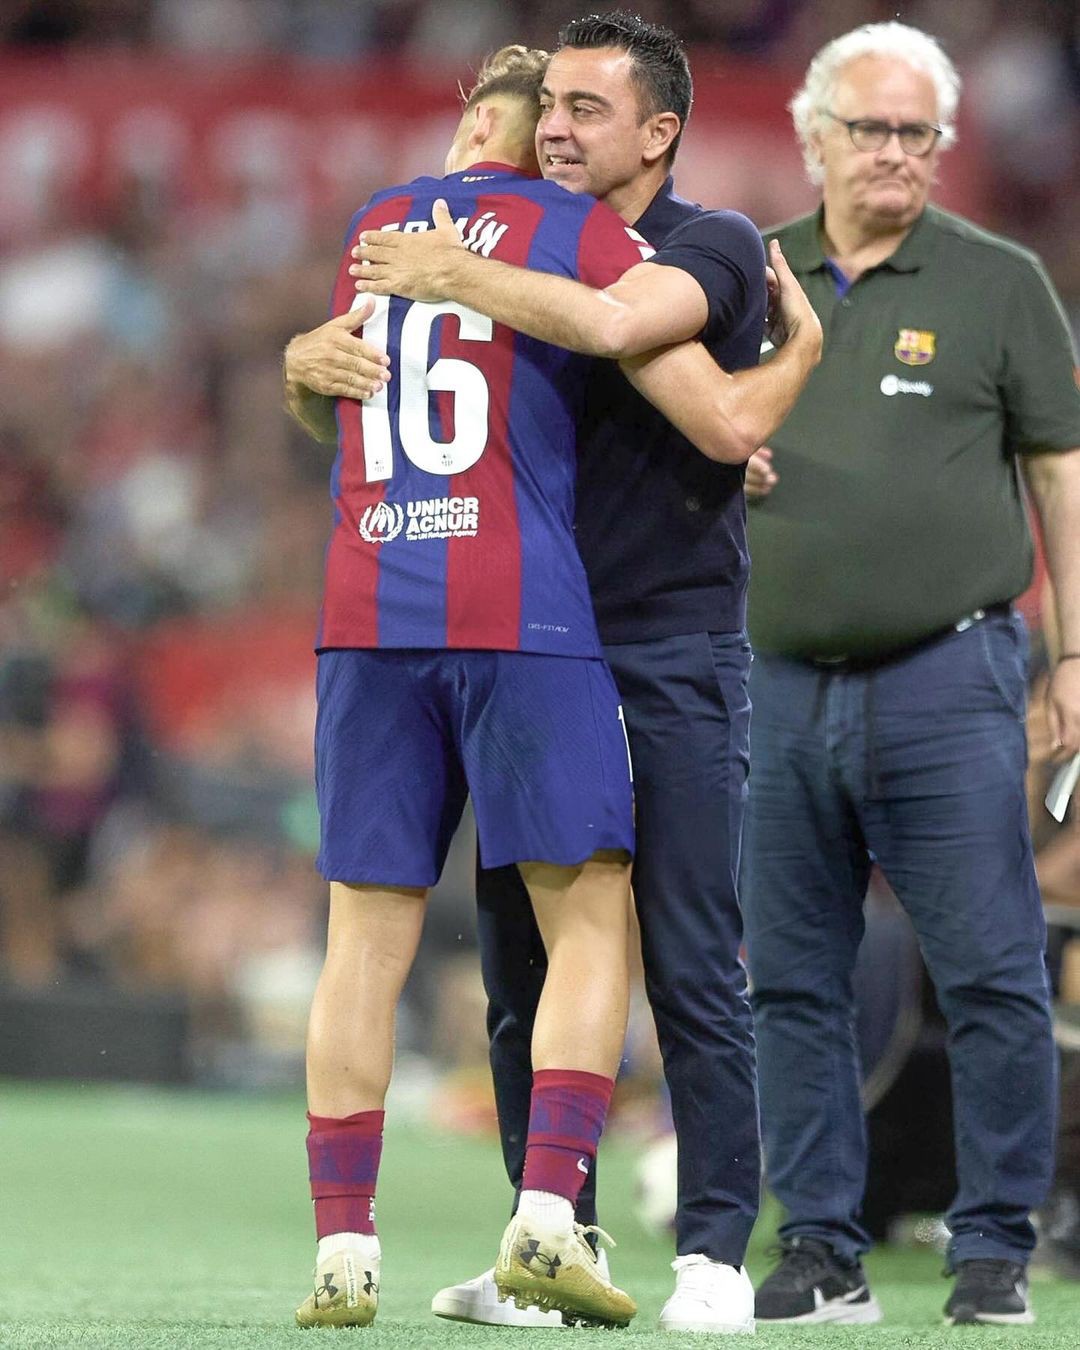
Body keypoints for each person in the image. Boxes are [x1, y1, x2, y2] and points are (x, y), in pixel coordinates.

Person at [350, 9, 821, 1332]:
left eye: (587, 108)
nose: (553, 125)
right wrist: (315, 358)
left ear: (660, 132)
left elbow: (620, 326)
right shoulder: (511, 237)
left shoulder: (710, 242)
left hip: (666, 638)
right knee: (519, 963)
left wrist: (454, 272)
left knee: (684, 945)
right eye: (547, 103)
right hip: (516, 638)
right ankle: (546, 1241)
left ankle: (717, 1248)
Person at [285, 44, 651, 1330]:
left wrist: (291, 363)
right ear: (536, 132)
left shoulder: (372, 230)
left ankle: (343, 1250)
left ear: (460, 127)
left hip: (367, 608)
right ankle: (548, 1214)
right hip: (517, 608)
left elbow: (331, 381)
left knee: (361, 943)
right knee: (592, 910)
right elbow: (650, 320)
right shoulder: (571, 222)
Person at [736, 21, 1080, 1327]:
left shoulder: (1000, 283)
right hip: (774, 673)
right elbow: (684, 433)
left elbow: (1062, 470)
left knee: (993, 964)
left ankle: (994, 1243)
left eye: (918, 132)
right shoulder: (745, 274)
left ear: (945, 144)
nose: (896, 153)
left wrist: (1074, 651)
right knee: (792, 976)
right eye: (871, 128)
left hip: (952, 672)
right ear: (813, 136)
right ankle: (820, 1244)